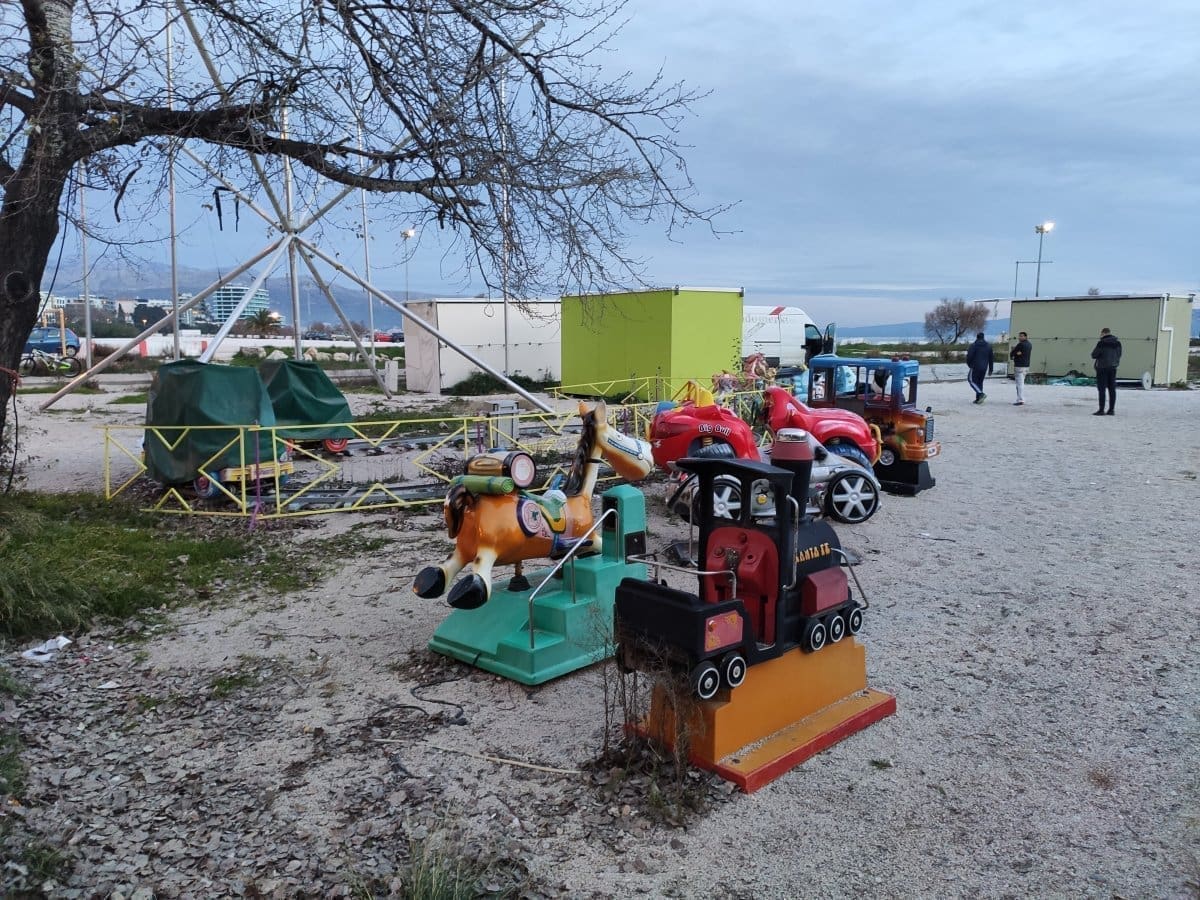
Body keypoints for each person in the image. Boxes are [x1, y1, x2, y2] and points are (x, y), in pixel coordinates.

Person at [1091, 327, 1122, 416]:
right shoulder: (1118, 343)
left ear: (1103, 333)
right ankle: (1111, 410)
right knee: (1112, 389)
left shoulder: (1102, 343)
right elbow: (1119, 354)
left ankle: (1101, 410)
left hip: (1102, 368)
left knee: (1102, 389)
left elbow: (1094, 355)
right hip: (1113, 368)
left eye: (1101, 334)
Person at [966, 332, 993, 404]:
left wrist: (969, 364)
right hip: (984, 367)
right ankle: (978, 399)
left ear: (977, 337)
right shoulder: (988, 346)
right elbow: (991, 358)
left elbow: (969, 356)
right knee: (980, 382)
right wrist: (991, 369)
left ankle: (981, 394)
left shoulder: (973, 345)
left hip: (975, 366)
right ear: (983, 337)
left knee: (971, 380)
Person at [1011, 331, 1032, 405]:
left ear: (1025, 337)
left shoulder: (1021, 344)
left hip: (1019, 366)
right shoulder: (1029, 344)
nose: (1019, 337)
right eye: (1019, 336)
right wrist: (1017, 353)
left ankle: (1020, 399)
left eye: (1021, 336)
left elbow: (1013, 353)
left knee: (1019, 384)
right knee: (1021, 383)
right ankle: (1019, 398)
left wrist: (1014, 353)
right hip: (1026, 366)